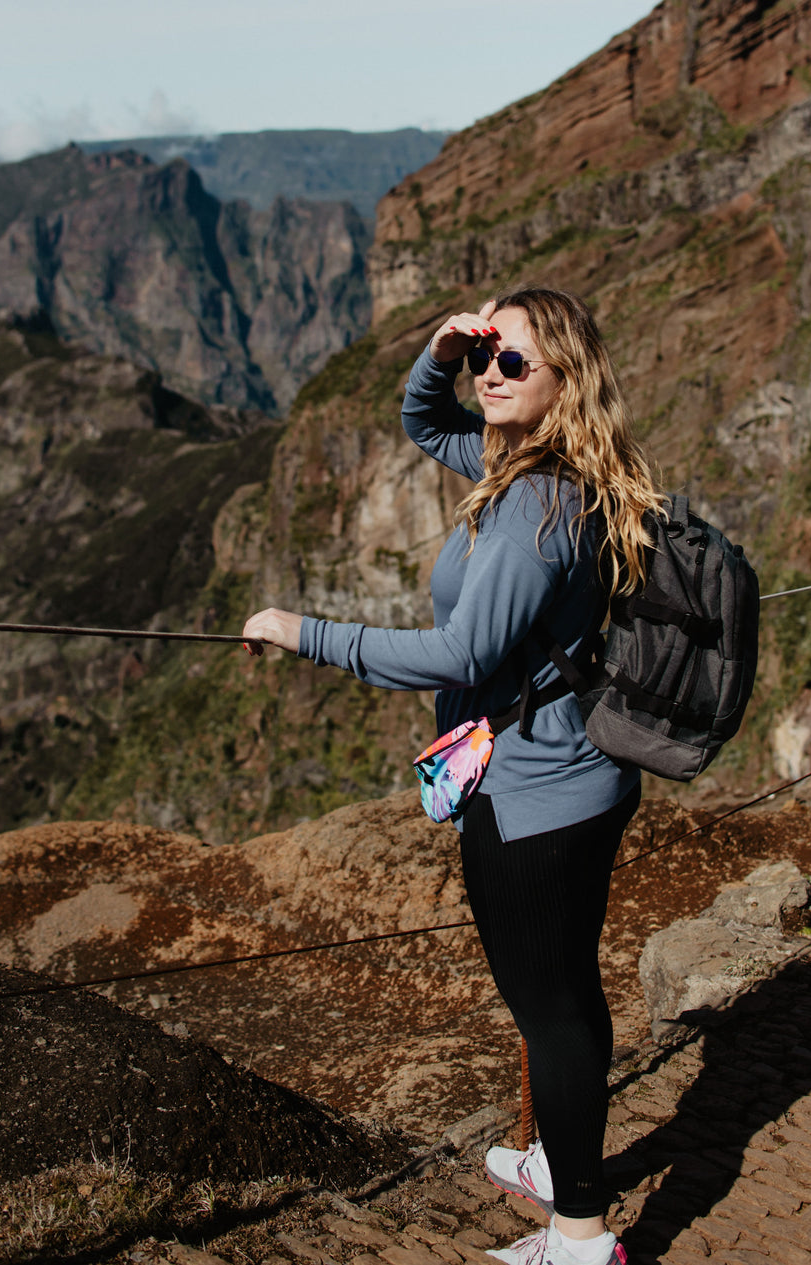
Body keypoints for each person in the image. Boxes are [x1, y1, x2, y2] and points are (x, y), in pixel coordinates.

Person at [243, 287, 664, 1265]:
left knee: (547, 1010)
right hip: (580, 773)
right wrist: (440, 349)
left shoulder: (532, 501)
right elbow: (419, 418)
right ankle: (569, 1165)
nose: (489, 373)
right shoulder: (548, 464)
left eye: (511, 360)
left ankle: (578, 1239)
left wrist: (302, 633)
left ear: (563, 376)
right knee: (568, 993)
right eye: (485, 353)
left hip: (530, 798)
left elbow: (461, 653)